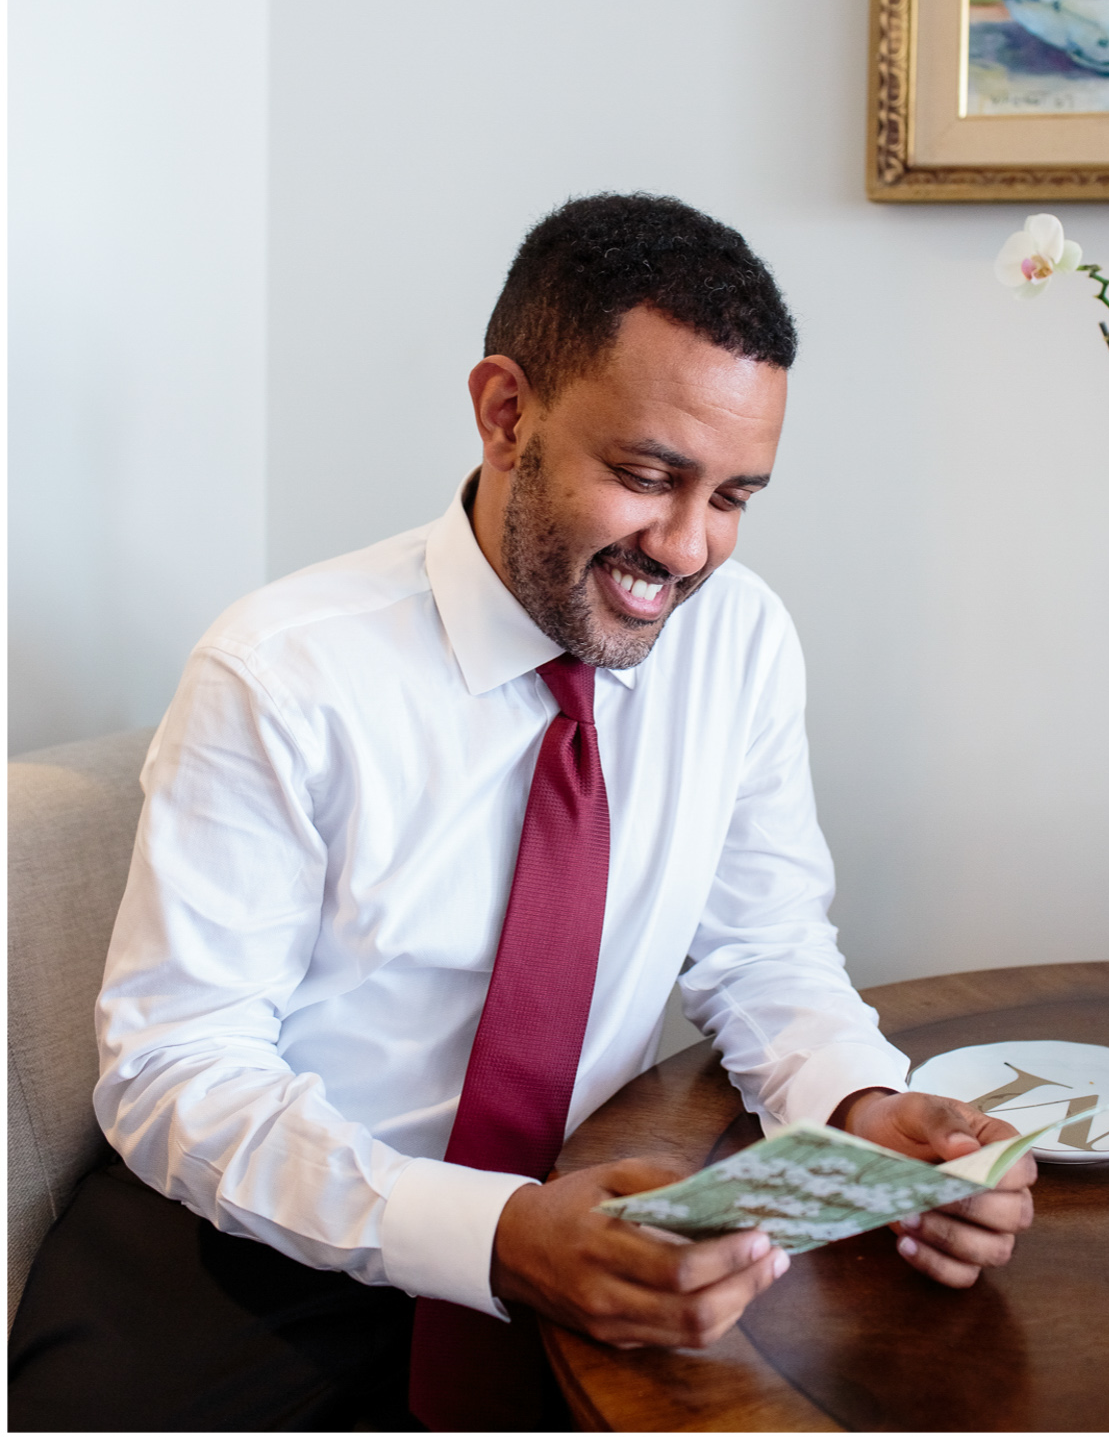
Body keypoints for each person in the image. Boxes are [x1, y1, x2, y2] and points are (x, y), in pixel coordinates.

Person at [9, 194, 1039, 1430]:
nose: (690, 548)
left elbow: (763, 948)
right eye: (649, 476)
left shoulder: (742, 642)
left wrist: (864, 1111)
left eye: (734, 496)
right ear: (507, 414)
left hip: (595, 1238)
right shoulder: (283, 671)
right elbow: (179, 1067)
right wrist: (486, 1233)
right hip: (261, 1254)